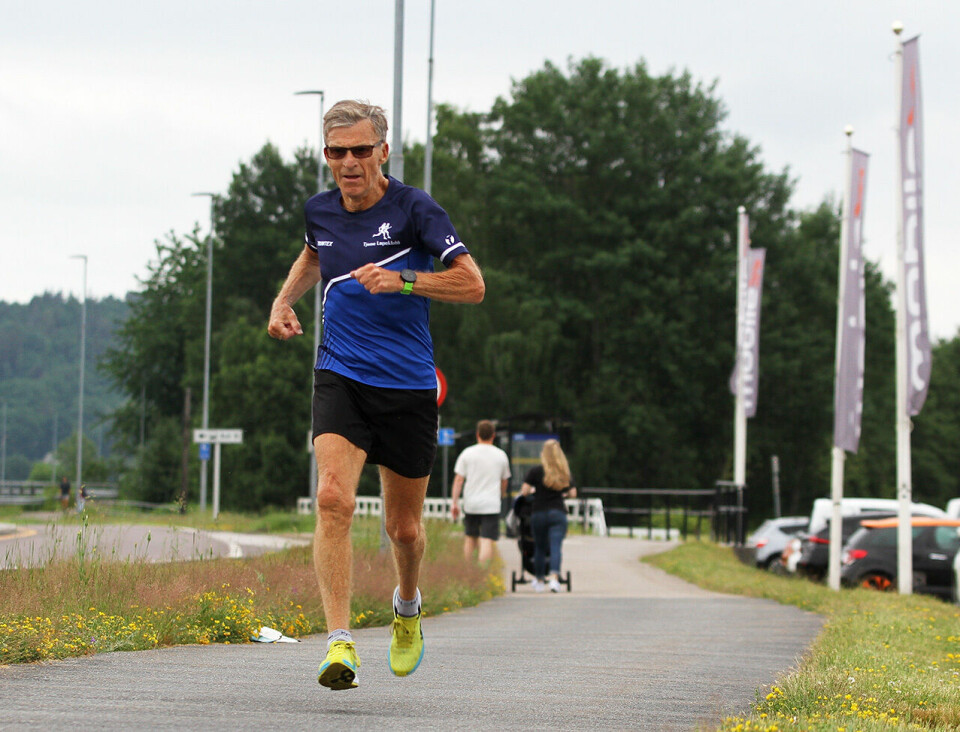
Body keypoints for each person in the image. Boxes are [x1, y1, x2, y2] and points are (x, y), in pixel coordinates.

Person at [267, 100, 485, 691]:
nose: (350, 162)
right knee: (333, 499)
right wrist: (283, 300)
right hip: (340, 376)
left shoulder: (415, 209)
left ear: (383, 151)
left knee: (404, 530)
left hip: (408, 386)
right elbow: (315, 252)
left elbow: (473, 284)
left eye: (362, 150)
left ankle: (408, 608)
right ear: (327, 156)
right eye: (338, 152)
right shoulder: (320, 210)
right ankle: (338, 643)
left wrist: (405, 279)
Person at [519, 439, 576, 593]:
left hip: (539, 512)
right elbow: (572, 493)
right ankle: (554, 578)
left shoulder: (536, 471)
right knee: (556, 546)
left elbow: (524, 491)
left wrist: (533, 492)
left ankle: (538, 580)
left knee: (540, 546)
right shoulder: (563, 471)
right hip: (558, 512)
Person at [450, 420, 511, 562]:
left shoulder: (467, 453)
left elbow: (459, 480)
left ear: (477, 434)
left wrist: (454, 502)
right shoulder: (501, 455)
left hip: (471, 503)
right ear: (493, 435)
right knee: (487, 539)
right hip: (491, 504)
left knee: (470, 537)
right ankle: (482, 570)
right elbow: (505, 480)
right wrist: (501, 495)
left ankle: (468, 570)